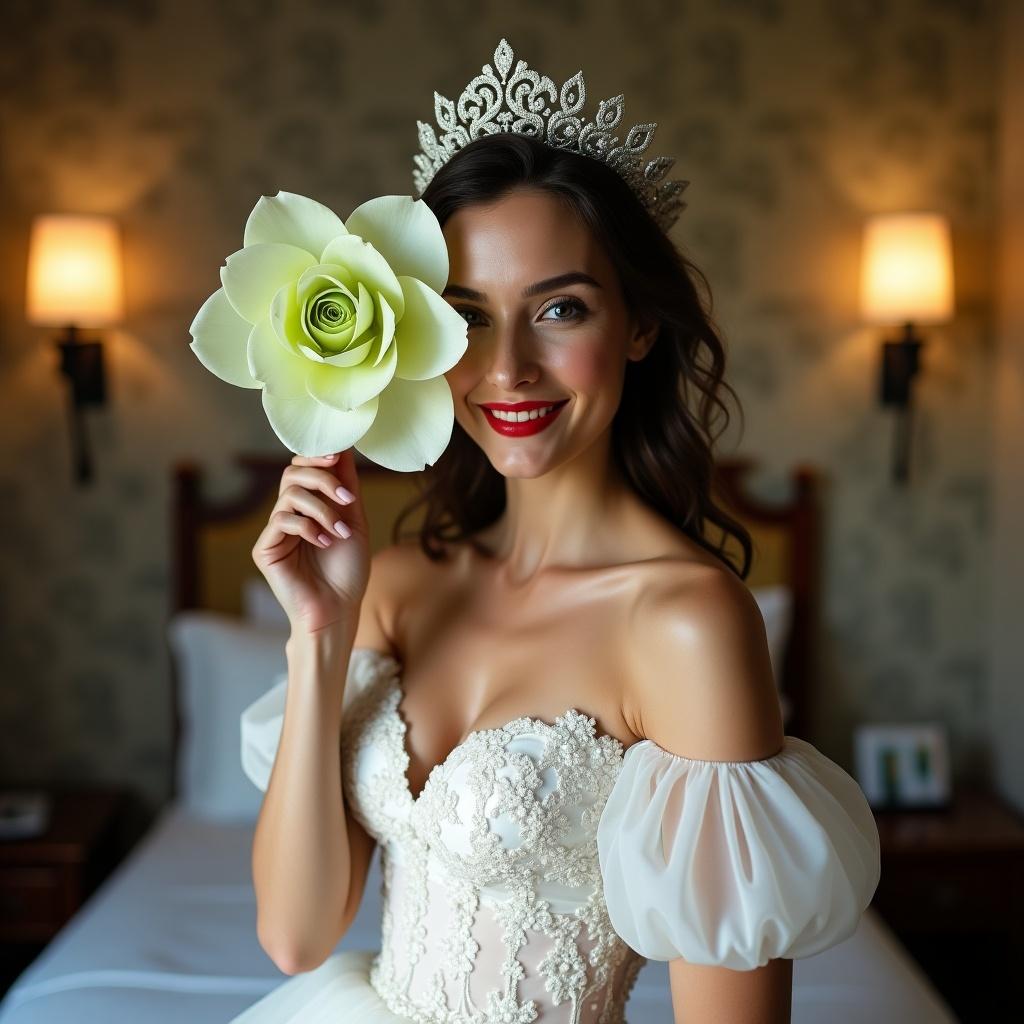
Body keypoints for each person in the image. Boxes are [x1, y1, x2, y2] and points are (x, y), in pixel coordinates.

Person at [230, 38, 881, 1024]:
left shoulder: (686, 622)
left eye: (559, 309)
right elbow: (295, 933)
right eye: (469, 316)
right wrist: (318, 636)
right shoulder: (396, 586)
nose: (508, 370)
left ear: (638, 325)